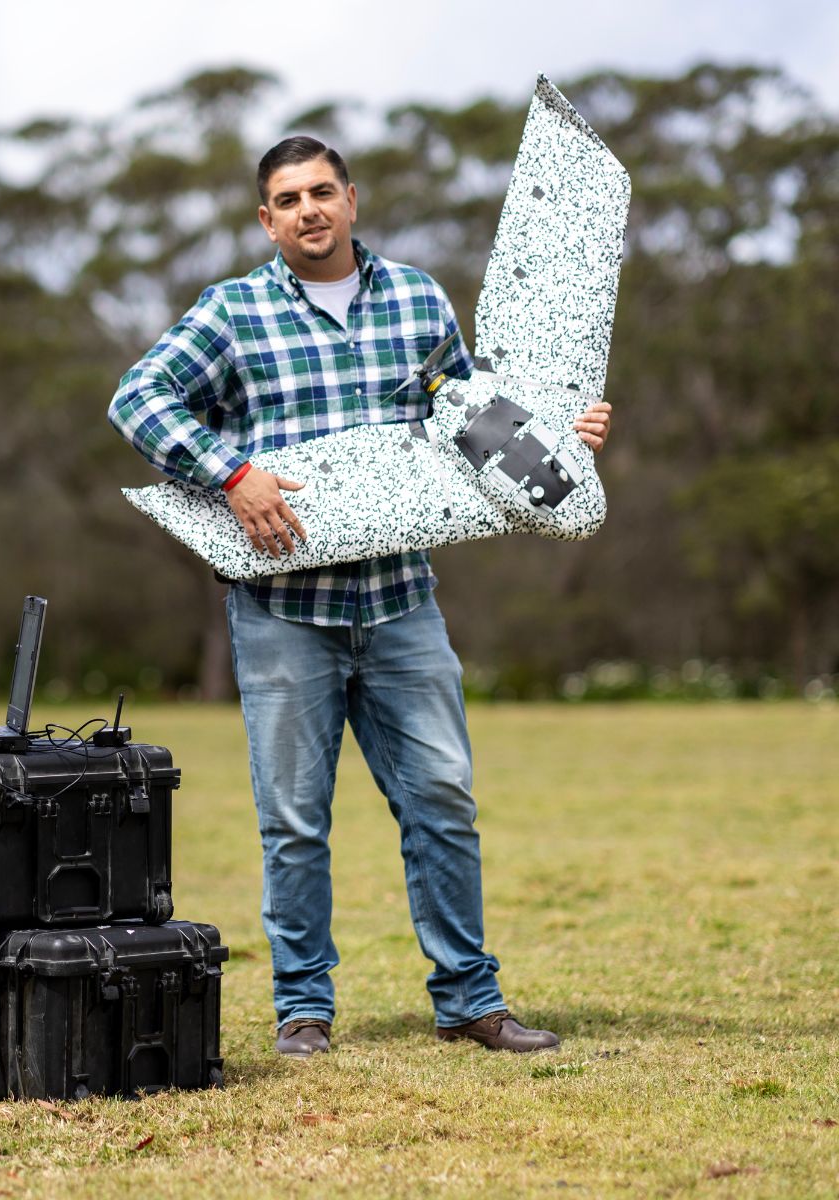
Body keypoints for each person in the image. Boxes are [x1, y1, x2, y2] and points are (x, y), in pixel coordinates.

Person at [107, 137, 612, 1058]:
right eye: (288, 198)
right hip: (282, 619)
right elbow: (138, 399)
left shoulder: (420, 300)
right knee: (295, 823)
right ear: (267, 219)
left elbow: (476, 425)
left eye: (323, 192)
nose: (309, 209)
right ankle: (304, 1010)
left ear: (352, 200)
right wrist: (231, 475)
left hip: (401, 605)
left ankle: (471, 1000)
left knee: (443, 802)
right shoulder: (232, 313)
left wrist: (562, 439)